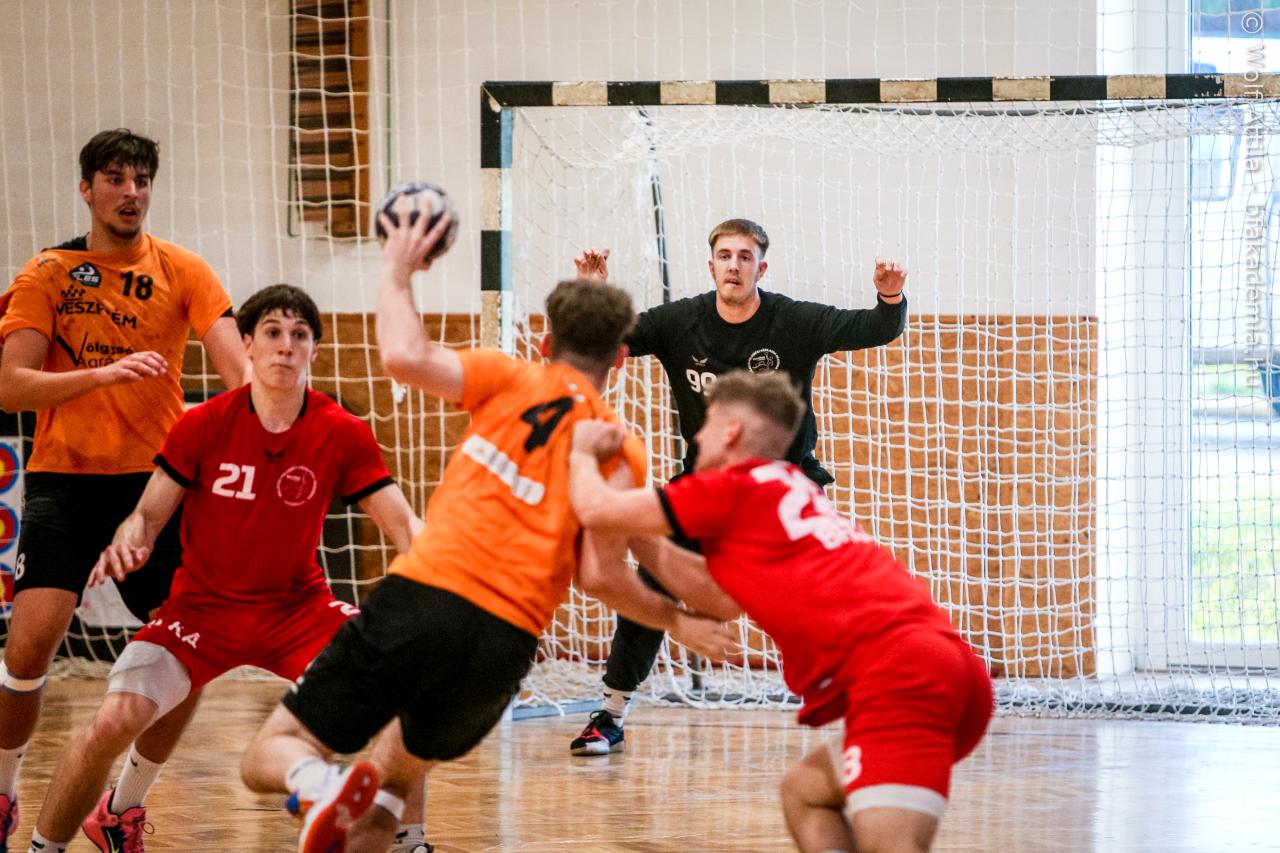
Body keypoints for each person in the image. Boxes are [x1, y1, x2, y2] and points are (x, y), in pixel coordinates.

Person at [238, 201, 738, 853]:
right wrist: (680, 618)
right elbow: (600, 575)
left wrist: (397, 269)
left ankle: (318, 781)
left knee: (273, 750)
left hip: (425, 598)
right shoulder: (621, 449)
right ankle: (360, 802)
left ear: (544, 343)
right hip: (504, 646)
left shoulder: (510, 376)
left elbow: (404, 356)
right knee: (390, 789)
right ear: (621, 357)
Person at [21, 284, 431, 853]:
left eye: (299, 335)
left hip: (297, 611)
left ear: (314, 349)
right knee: (114, 720)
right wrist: (128, 542)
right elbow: (147, 516)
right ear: (247, 345)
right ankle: (51, 843)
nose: (285, 346)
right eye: (272, 333)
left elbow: (404, 523)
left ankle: (410, 842)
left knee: (398, 697)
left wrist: (445, 579)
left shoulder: (341, 431)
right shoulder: (204, 424)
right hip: (201, 612)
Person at [567, 370, 993, 853]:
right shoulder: (788, 487)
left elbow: (596, 509)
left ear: (730, 432)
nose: (697, 438)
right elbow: (720, 598)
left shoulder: (731, 488)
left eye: (706, 425)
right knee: (805, 793)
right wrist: (640, 542)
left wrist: (579, 450)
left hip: (900, 676)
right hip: (949, 668)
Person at [567, 220, 908, 755]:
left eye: (745, 257)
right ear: (711, 266)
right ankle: (610, 714)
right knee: (651, 586)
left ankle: (870, 704)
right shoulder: (680, 320)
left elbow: (874, 328)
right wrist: (592, 295)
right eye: (725, 256)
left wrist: (889, 298)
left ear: (760, 268)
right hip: (705, 487)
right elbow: (608, 342)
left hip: (781, 489)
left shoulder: (793, 320)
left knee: (820, 599)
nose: (733, 265)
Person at [0, 128, 246, 852]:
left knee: (191, 652)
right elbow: (11, 384)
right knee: (29, 649)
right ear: (87, 189)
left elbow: (238, 376)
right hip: (66, 481)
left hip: (156, 490)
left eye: (141, 180)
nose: (131, 192)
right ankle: (4, 791)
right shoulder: (48, 273)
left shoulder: (184, 268)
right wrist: (101, 375)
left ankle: (122, 805)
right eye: (115, 178)